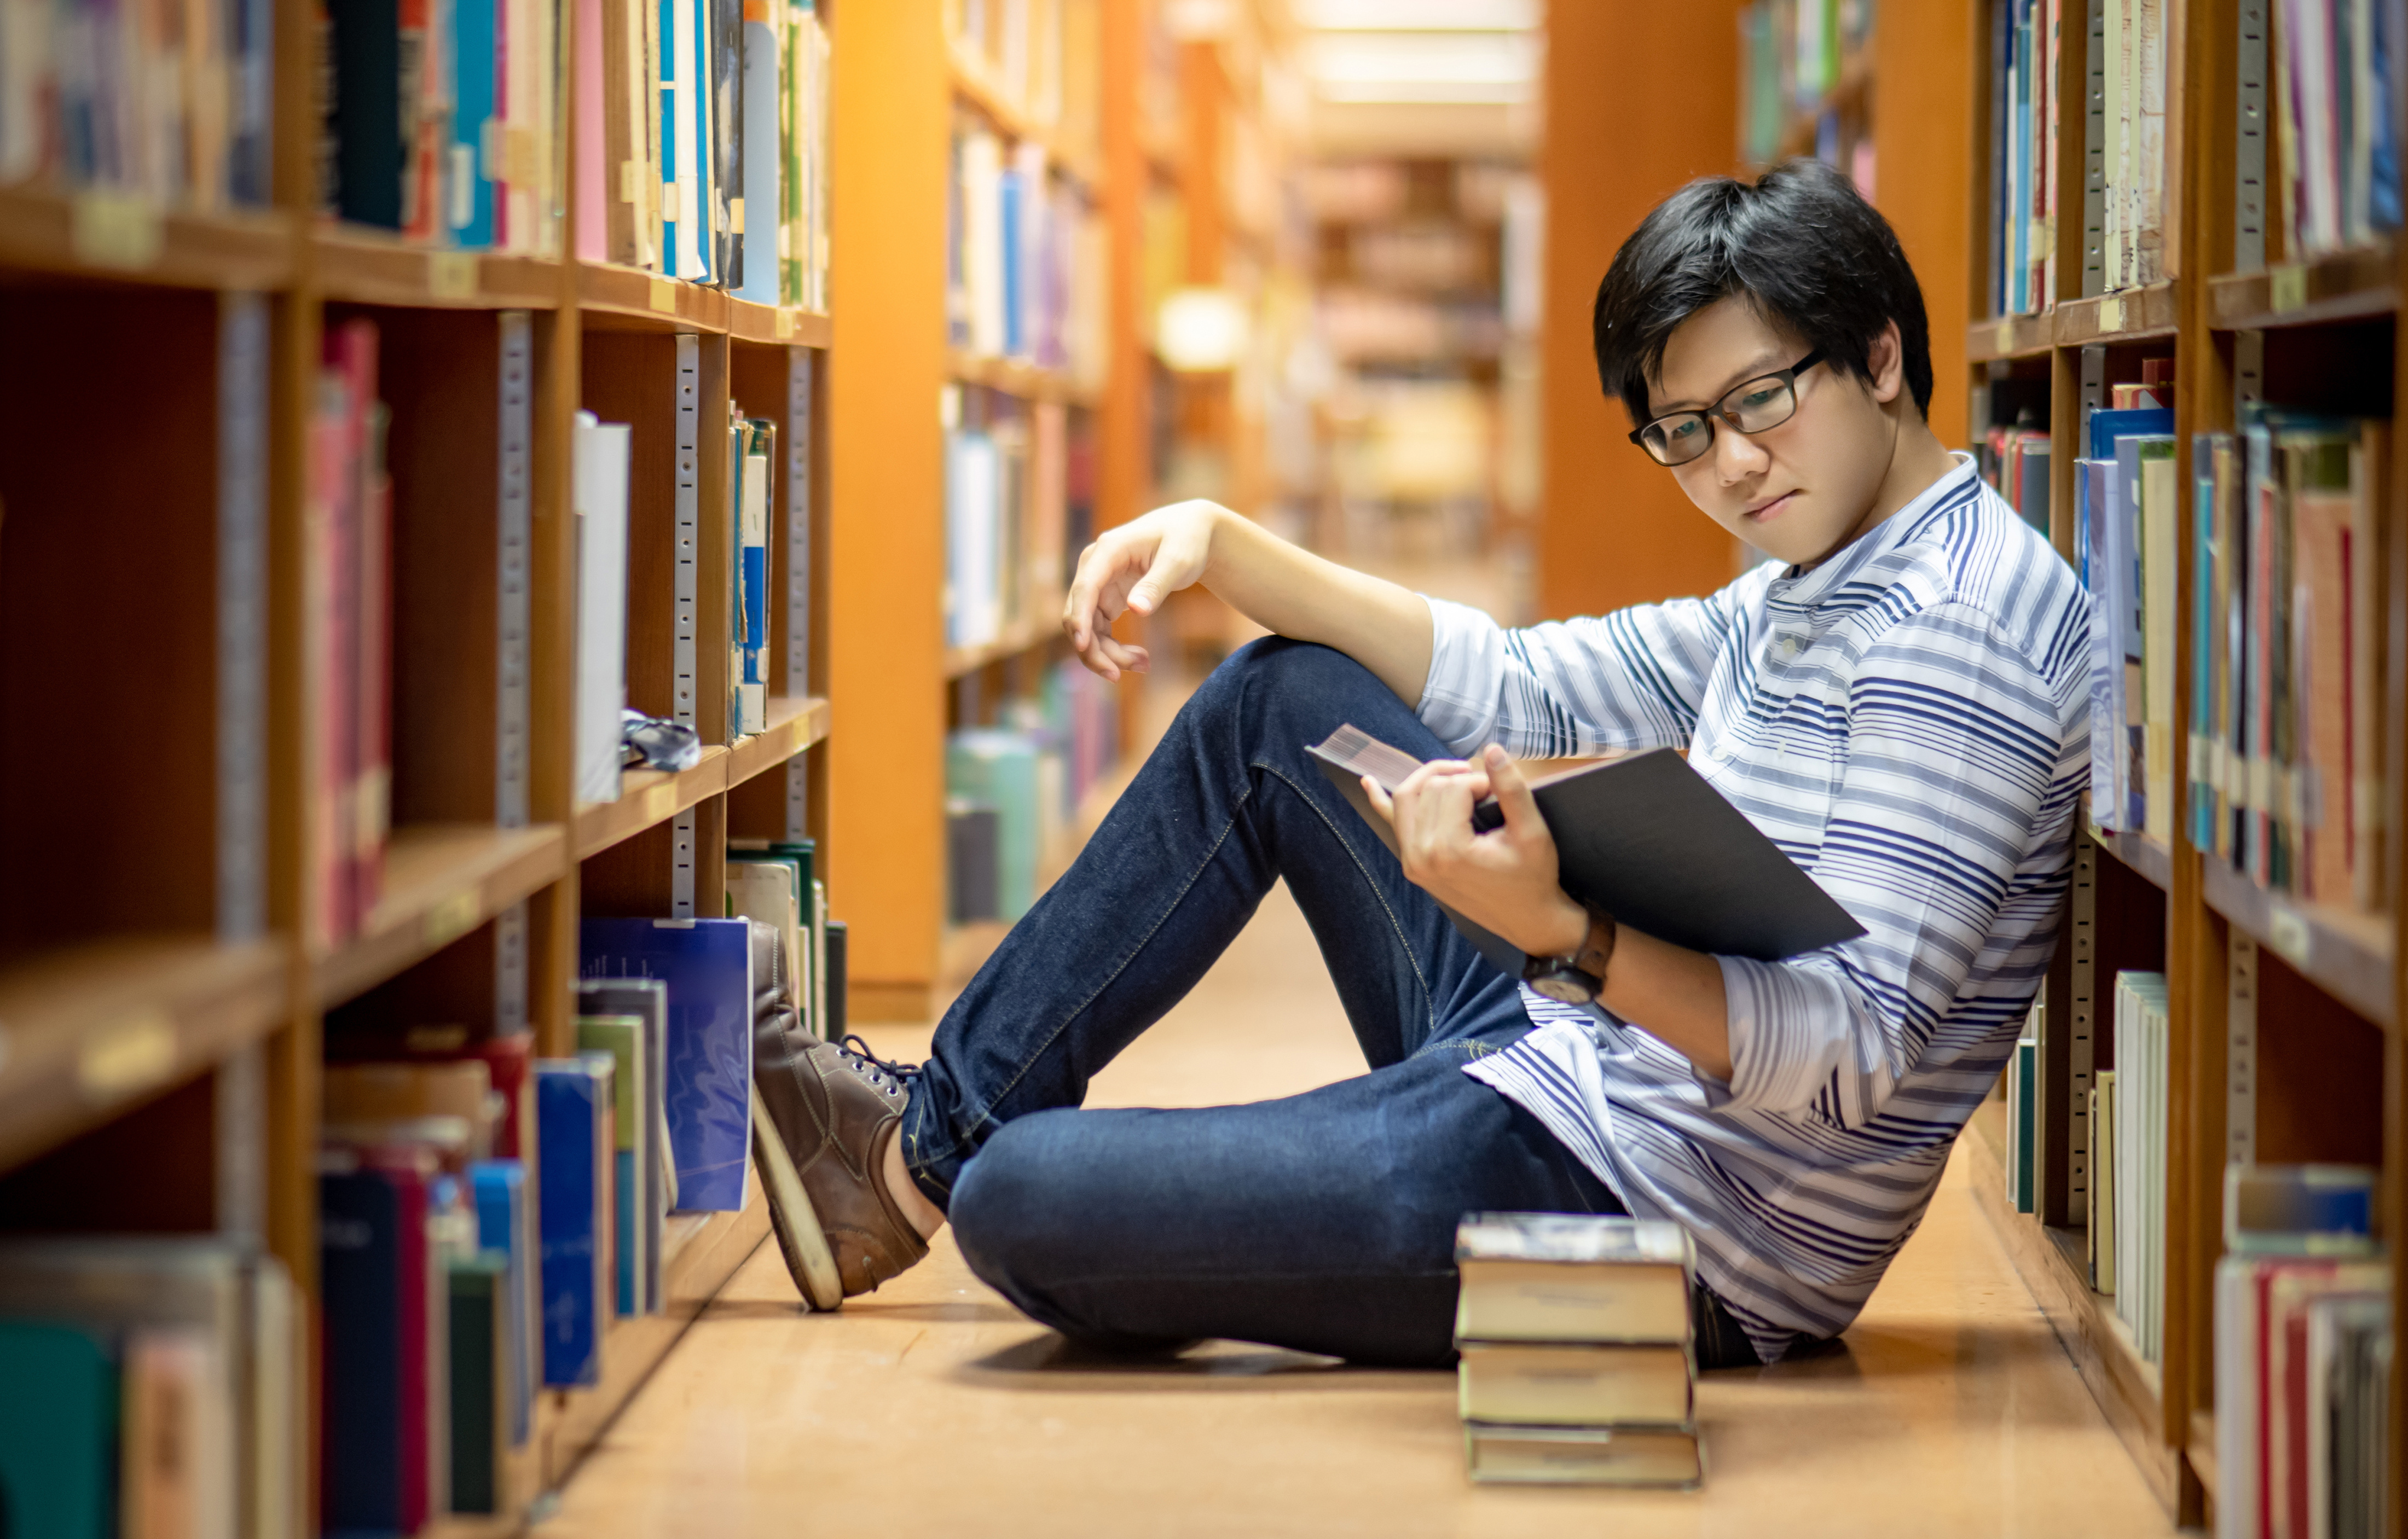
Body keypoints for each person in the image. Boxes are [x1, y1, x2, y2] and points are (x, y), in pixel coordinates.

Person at [748, 159, 2092, 1369]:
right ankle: (919, 1144)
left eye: (1759, 400)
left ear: (1879, 355)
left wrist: (1570, 937)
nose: (1733, 465)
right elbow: (1519, 679)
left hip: (1661, 1219)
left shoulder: (1951, 637)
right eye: (1682, 430)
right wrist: (1226, 544)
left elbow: (1853, 1056)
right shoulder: (1818, 577)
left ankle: (930, 1166)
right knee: (1279, 696)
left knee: (1023, 1202)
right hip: (1578, 1058)